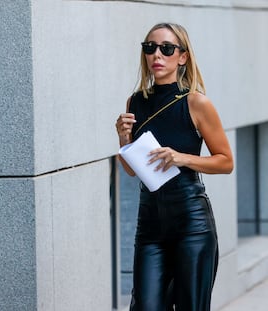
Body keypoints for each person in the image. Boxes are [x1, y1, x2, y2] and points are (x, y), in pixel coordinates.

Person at [115, 23, 234, 311]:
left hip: (191, 224)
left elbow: (226, 161)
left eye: (166, 48)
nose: (157, 54)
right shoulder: (136, 102)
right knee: (146, 306)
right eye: (150, 47)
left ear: (182, 57)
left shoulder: (196, 103)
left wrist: (183, 158)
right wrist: (122, 138)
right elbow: (132, 170)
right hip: (150, 224)